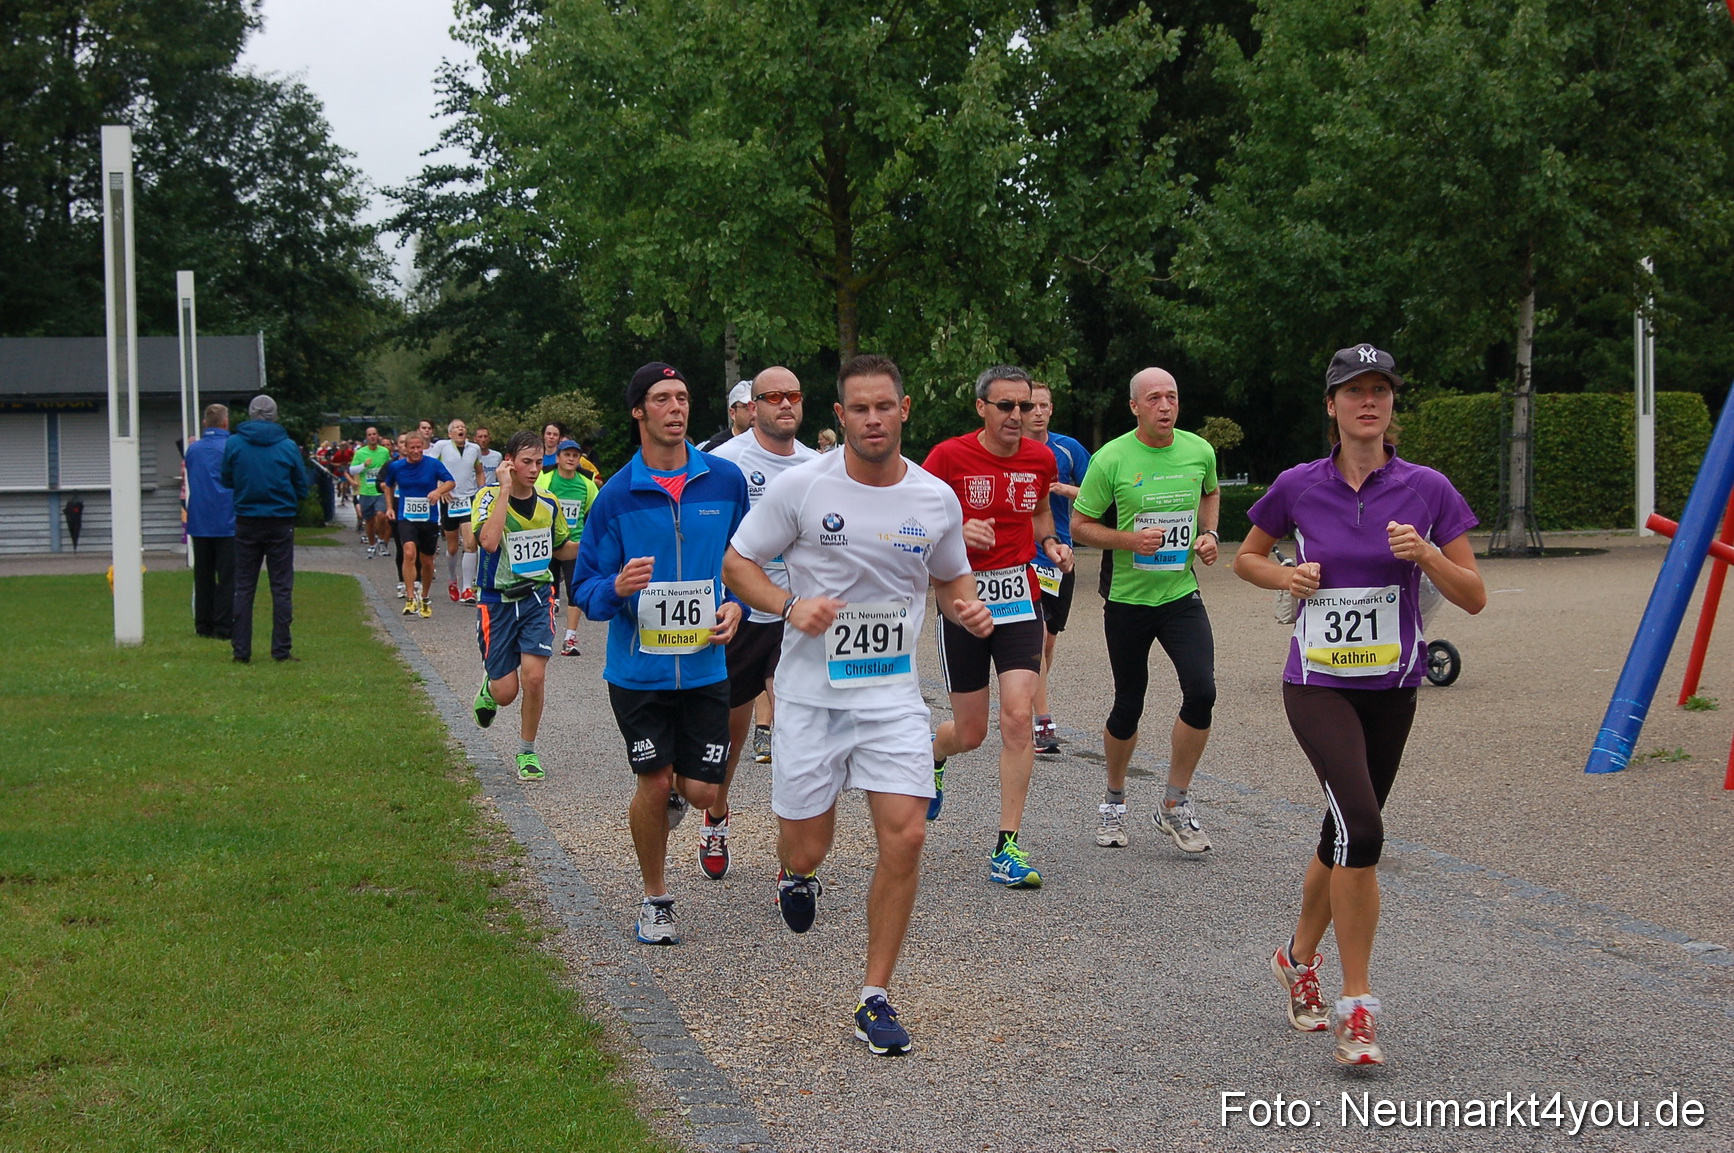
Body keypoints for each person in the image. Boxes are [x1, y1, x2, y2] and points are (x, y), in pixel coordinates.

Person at [723, 353, 990, 1055]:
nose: (873, 418)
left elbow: (951, 580)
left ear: (905, 410)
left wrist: (970, 611)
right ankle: (794, 870)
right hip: (810, 697)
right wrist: (789, 604)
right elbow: (738, 562)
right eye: (859, 408)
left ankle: (874, 995)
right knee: (809, 841)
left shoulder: (934, 498)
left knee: (907, 835)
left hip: (891, 696)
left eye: (885, 406)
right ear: (839, 417)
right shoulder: (804, 488)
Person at [1233, 344, 1484, 1066]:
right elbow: (1249, 556)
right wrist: (1286, 575)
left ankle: (1293, 957)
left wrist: (1429, 556)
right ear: (1332, 405)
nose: (1368, 402)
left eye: (1380, 390)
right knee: (1365, 828)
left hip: (1394, 686)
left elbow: (1473, 594)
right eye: (1354, 391)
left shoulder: (1428, 488)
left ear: (1392, 403)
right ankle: (1358, 1006)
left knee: (1342, 829)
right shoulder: (1297, 485)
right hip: (1317, 683)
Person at [572, 361, 749, 946]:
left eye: (683, 396)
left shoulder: (724, 482)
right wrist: (616, 589)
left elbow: (745, 564)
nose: (677, 408)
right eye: (663, 398)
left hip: (704, 666)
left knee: (701, 790)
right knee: (651, 781)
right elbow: (584, 588)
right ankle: (655, 899)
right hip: (638, 672)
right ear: (638, 411)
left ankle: (682, 794)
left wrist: (738, 608)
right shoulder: (615, 496)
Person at [922, 365, 1072, 888]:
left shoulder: (1040, 458)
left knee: (1016, 716)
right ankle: (934, 753)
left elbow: (1037, 517)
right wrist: (958, 529)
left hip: (1019, 600)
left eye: (1026, 406)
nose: (1018, 416)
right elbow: (915, 522)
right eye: (1006, 406)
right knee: (970, 732)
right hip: (962, 599)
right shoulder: (948, 456)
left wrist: (1051, 545)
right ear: (981, 407)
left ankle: (1006, 845)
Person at [1070, 368, 1221, 854]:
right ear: (1134, 406)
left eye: (1171, 397)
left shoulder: (1199, 450)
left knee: (1202, 690)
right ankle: (1114, 799)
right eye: (1153, 398)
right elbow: (1079, 525)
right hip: (1128, 600)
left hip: (1179, 595)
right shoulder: (1110, 458)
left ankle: (1174, 804)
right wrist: (1129, 540)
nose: (1164, 406)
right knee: (1129, 701)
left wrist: (1211, 534)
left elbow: (1212, 492)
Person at [698, 366, 818, 879]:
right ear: (752, 407)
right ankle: (717, 816)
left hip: (796, 614)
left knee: (795, 726)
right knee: (732, 727)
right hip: (739, 611)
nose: (784, 404)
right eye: (772, 397)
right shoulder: (722, 462)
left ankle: (791, 861)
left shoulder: (819, 465)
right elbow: (703, 538)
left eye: (793, 395)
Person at [472, 430, 581, 780]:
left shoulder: (549, 503)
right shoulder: (488, 497)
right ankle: (490, 687)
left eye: (538, 462)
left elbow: (560, 548)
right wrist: (504, 489)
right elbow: (488, 543)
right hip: (497, 601)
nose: (534, 469)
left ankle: (527, 752)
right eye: (526, 462)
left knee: (534, 677)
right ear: (509, 464)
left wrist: (597, 546)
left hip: (537, 597)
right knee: (506, 693)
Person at [1023, 382, 1090, 753]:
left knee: (1047, 642)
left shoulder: (1068, 449)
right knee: (1037, 633)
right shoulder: (1012, 449)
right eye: (1031, 405)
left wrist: (1062, 489)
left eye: (1043, 405)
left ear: (1051, 409)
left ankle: (1024, 692)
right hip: (1024, 555)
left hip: (1060, 554)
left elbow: (1100, 492)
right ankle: (1042, 722)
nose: (1037, 412)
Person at [221, 395, 310, 663]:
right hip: (280, 521)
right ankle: (281, 649)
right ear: (275, 415)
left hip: (247, 519)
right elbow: (302, 486)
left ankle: (241, 651)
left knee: (244, 586)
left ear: (250, 414)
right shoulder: (287, 446)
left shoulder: (234, 443)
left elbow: (226, 478)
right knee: (281, 587)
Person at [535, 438, 601, 655]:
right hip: (548, 543)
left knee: (575, 590)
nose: (571, 459)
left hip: (574, 544)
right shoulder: (546, 479)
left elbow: (595, 513)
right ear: (558, 458)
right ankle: (543, 635)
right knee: (547, 589)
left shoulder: (586, 484)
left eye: (575, 455)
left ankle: (570, 638)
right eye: (567, 455)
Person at [380, 432, 456, 619]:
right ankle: (410, 596)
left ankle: (425, 596)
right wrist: (389, 506)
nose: (415, 451)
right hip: (406, 517)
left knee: (427, 561)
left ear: (423, 447)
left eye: (418, 447)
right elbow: (388, 485)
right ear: (404, 448)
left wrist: (438, 491)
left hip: (428, 518)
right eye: (411, 448)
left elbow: (450, 482)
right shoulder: (396, 467)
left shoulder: (433, 464)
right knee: (408, 552)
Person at [184, 403, 234, 640]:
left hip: (200, 518)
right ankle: (224, 625)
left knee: (203, 575)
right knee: (227, 577)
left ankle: (203, 623)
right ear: (226, 423)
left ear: (205, 423)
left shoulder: (193, 450)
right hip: (227, 519)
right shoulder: (232, 447)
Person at [431, 419, 485, 603]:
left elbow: (479, 471)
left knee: (470, 543)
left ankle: (467, 588)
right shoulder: (441, 447)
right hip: (450, 499)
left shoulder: (474, 448)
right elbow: (431, 469)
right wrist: (440, 487)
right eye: (456, 428)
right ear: (450, 434)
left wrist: (481, 491)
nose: (460, 429)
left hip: (469, 498)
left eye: (463, 426)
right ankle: (452, 577)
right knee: (453, 547)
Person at [700, 381, 754, 450]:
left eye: (757, 406)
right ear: (732, 413)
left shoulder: (769, 445)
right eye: (747, 407)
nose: (754, 412)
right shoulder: (715, 447)